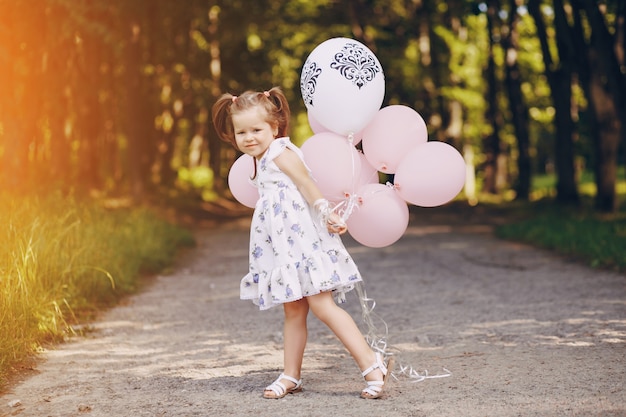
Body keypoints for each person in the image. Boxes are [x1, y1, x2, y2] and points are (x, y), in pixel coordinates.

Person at [211, 87, 393, 399]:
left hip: (302, 242)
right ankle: (290, 374)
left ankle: (371, 363)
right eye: (241, 132)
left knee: (322, 305)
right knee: (293, 310)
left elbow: (307, 184)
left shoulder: (281, 153)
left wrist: (327, 215)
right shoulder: (259, 158)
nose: (248, 137)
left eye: (256, 130)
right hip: (281, 246)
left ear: (274, 127)